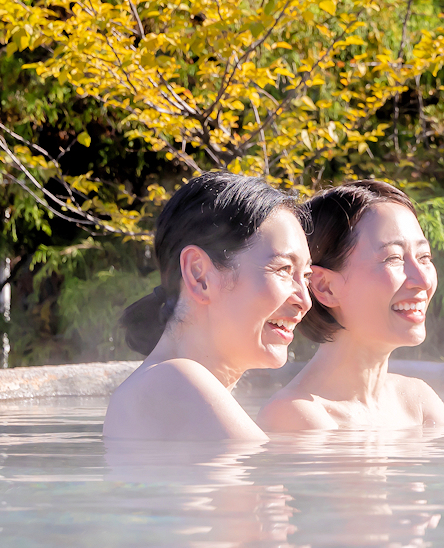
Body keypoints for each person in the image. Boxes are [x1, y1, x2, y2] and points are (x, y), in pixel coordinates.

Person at [103, 172, 312, 443]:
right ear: (199, 275)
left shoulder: (165, 385)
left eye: (306, 276)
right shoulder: (171, 381)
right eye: (284, 269)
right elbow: (266, 480)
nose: (305, 301)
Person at [258, 180, 444, 433]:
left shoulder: (417, 401)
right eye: (393, 258)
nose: (423, 280)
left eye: (424, 257)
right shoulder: (295, 415)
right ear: (325, 287)